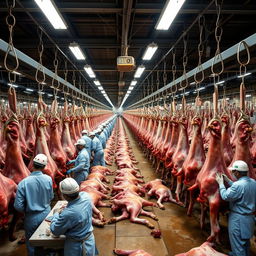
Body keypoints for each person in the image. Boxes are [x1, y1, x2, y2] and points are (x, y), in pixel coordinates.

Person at [14, 154, 53, 256]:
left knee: (32, 243)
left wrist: (27, 210)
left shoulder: (23, 183)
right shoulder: (48, 179)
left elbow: (18, 206)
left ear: (32, 165)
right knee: (47, 240)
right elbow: (51, 196)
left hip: (31, 217)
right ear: (44, 167)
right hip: (47, 214)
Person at [216, 160, 256, 256]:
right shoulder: (253, 182)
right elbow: (241, 189)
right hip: (249, 219)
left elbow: (225, 196)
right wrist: (228, 181)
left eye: (233, 171)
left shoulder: (238, 185)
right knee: (245, 243)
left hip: (238, 219)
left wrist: (221, 183)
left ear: (237, 172)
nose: (232, 173)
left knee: (237, 245)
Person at [50, 178, 96, 256]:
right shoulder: (86, 196)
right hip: (89, 240)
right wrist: (68, 206)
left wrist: (56, 215)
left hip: (76, 247)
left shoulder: (68, 214)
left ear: (65, 196)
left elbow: (55, 231)